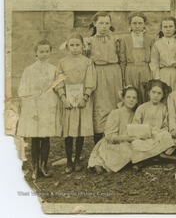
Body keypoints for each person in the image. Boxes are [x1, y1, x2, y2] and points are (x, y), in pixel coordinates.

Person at [16, 39, 61, 179]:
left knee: (45, 137)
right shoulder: (29, 70)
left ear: (50, 52)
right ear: (36, 53)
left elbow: (57, 87)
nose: (44, 54)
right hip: (33, 107)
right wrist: (31, 99)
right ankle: (35, 168)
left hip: (47, 106)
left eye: (47, 51)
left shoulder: (53, 69)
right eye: (41, 51)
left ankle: (44, 166)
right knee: (35, 137)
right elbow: (23, 89)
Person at [55, 33, 96, 173]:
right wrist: (63, 98)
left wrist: (85, 97)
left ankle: (77, 159)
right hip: (68, 101)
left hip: (81, 102)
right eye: (71, 45)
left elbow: (90, 81)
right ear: (67, 46)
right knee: (68, 131)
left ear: (83, 46)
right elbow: (58, 82)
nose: (75, 48)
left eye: (77, 45)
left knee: (79, 131)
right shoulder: (63, 62)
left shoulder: (87, 62)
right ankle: (68, 161)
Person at [85, 11, 123, 144]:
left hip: (114, 73)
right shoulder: (89, 42)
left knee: (116, 105)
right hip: (98, 73)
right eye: (101, 23)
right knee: (100, 108)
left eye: (107, 23)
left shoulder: (116, 40)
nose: (104, 26)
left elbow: (121, 58)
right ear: (95, 24)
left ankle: (114, 142)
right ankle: (98, 145)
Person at [88, 86, 139, 174]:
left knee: (131, 150)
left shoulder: (135, 115)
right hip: (112, 142)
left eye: (134, 98)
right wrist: (125, 138)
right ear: (123, 99)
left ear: (137, 100)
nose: (131, 100)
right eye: (128, 97)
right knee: (123, 150)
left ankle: (107, 164)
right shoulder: (116, 113)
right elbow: (109, 136)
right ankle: (101, 162)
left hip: (126, 143)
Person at [131, 80, 175, 170]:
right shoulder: (142, 108)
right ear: (148, 93)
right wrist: (146, 133)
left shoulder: (163, 108)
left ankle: (146, 159)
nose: (156, 95)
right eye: (153, 92)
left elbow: (165, 126)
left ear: (162, 95)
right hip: (144, 138)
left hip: (157, 137)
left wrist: (159, 132)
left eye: (159, 93)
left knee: (166, 136)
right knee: (136, 143)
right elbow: (135, 126)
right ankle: (158, 157)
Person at [120, 12, 154, 103]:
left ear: (144, 25)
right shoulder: (125, 40)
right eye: (134, 23)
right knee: (131, 94)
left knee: (145, 93)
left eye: (140, 23)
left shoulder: (150, 39)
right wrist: (123, 77)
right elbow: (122, 60)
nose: (137, 26)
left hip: (145, 70)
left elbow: (153, 60)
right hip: (130, 70)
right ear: (130, 25)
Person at [150, 16, 176, 90]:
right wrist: (157, 77)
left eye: (170, 26)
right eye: (165, 27)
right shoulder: (157, 44)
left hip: (175, 73)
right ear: (161, 29)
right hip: (162, 74)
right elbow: (154, 62)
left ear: (175, 27)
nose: (168, 29)